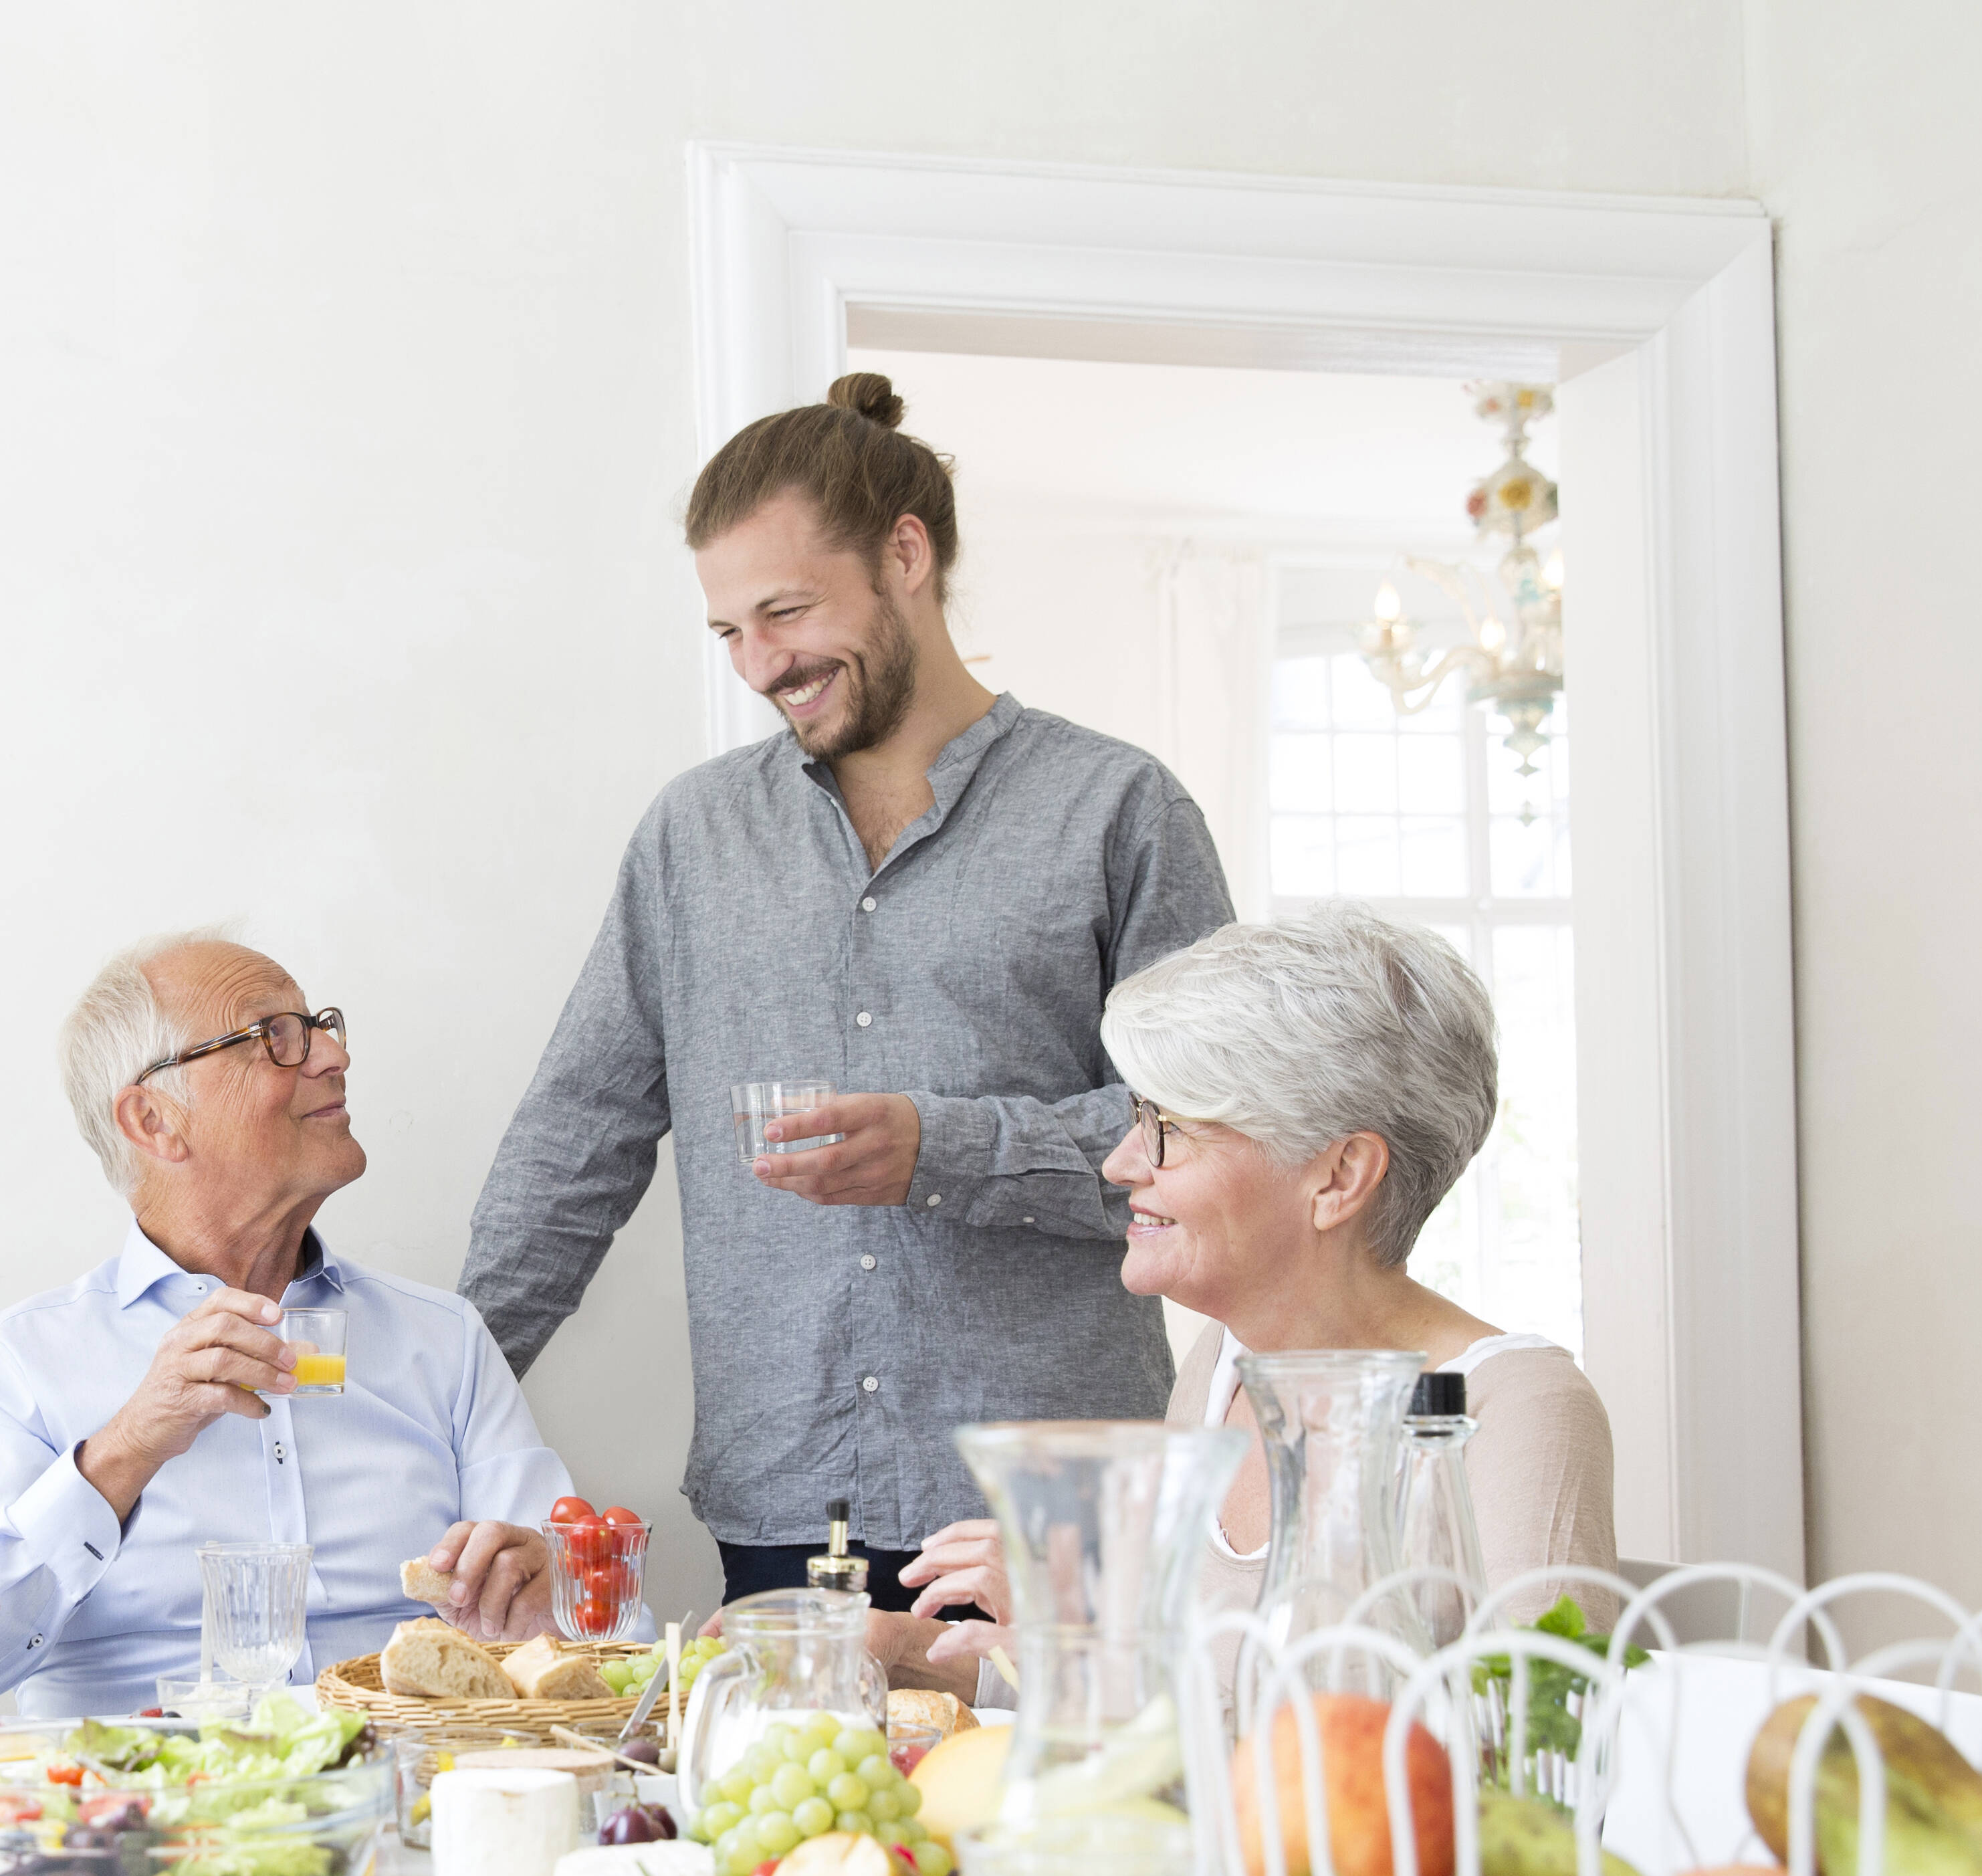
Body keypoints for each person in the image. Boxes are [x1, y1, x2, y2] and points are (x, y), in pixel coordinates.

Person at [459, 371, 1234, 1620]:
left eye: (786, 611)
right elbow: (576, 1139)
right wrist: (437, 1398)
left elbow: (1207, 1135)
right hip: (786, 1498)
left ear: (906, 558)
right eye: (728, 633)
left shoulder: (1118, 811)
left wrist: (946, 1147)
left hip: (1056, 1504)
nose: (761, 663)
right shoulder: (692, 838)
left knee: (1060, 1816)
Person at [899, 907, 1620, 1641]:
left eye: (1167, 1129)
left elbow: (1532, 1736)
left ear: (1339, 1176)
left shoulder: (1519, 1409)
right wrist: (911, 1649)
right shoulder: (1225, 1363)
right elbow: (1187, 1699)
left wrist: (1082, 1617)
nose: (1118, 1163)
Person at [0, 932, 573, 1720]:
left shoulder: (445, 1340)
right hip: (152, 1806)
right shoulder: (25, 1361)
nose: (333, 1055)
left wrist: (546, 1606)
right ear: (155, 1120)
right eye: (275, 1038)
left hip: (412, 1783)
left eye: (320, 1026)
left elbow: (598, 1632)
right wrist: (124, 1448)